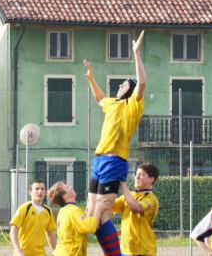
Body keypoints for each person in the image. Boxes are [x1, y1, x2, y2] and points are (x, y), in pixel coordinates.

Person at [84, 30, 146, 255]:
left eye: (122, 84)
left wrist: (136, 54)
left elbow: (142, 84)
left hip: (114, 161)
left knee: (100, 214)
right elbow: (100, 98)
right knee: (91, 212)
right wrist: (91, 78)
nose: (119, 86)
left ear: (128, 88)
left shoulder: (132, 106)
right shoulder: (111, 103)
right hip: (99, 159)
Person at [112, 162, 160, 256]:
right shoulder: (130, 195)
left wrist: (123, 184)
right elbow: (108, 205)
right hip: (125, 250)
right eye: (136, 174)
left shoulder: (151, 199)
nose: (137, 177)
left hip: (143, 250)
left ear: (151, 179)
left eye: (142, 174)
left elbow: (136, 208)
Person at [47, 181, 100, 256]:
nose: (71, 187)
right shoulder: (73, 210)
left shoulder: (63, 210)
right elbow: (90, 226)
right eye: (67, 187)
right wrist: (99, 208)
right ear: (64, 196)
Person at [9, 179, 57, 256]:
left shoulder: (48, 211)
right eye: (37, 189)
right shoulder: (24, 208)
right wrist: (19, 252)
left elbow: (50, 234)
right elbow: (13, 231)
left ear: (45, 192)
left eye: (42, 189)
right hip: (24, 253)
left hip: (40, 253)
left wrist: (56, 252)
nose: (40, 191)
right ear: (30, 192)